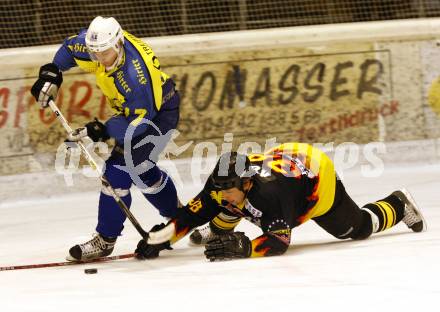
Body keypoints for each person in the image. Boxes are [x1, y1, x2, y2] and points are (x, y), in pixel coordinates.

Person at [31, 16, 180, 261]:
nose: (98, 58)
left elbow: (139, 122)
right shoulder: (97, 46)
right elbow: (69, 48)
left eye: (104, 53)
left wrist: (99, 131)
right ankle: (181, 218)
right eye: (94, 52)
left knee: (117, 172)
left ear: (119, 44)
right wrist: (52, 73)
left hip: (157, 115)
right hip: (136, 112)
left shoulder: (135, 77)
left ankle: (106, 239)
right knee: (143, 172)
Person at [135, 142, 426, 261]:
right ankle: (221, 227)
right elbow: (189, 215)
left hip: (315, 178)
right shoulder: (222, 185)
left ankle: (399, 204)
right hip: (285, 155)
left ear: (247, 183)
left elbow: (279, 241)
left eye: (230, 189)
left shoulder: (270, 197)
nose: (222, 194)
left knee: (358, 228)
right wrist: (163, 237)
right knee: (224, 204)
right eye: (219, 187)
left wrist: (246, 247)